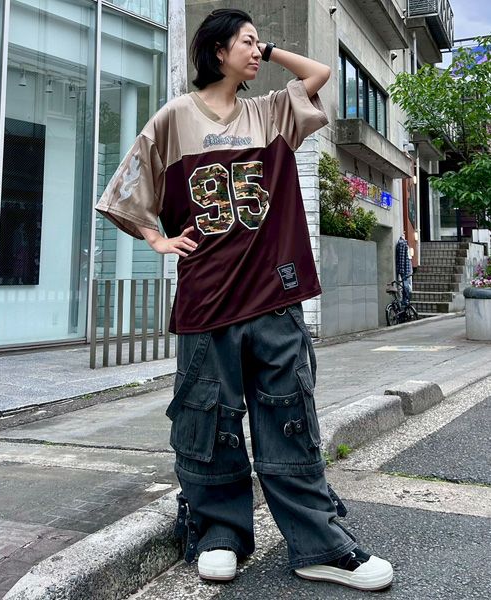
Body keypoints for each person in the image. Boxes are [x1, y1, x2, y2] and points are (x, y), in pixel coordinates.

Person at [96, 8, 393, 591]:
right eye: (247, 43)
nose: (257, 52)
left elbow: (319, 73)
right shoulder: (175, 117)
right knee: (210, 420)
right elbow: (127, 187)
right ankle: (218, 533)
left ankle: (319, 545)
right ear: (216, 50)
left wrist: (271, 48)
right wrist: (157, 239)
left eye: (260, 43)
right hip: (207, 302)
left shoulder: (271, 112)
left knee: (290, 419)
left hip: (274, 298)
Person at [396, 233, 413, 306]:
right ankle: (406, 300)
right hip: (406, 269)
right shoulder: (402, 244)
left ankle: (405, 301)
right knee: (406, 286)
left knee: (406, 285)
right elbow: (402, 258)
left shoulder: (402, 243)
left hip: (407, 269)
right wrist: (402, 270)